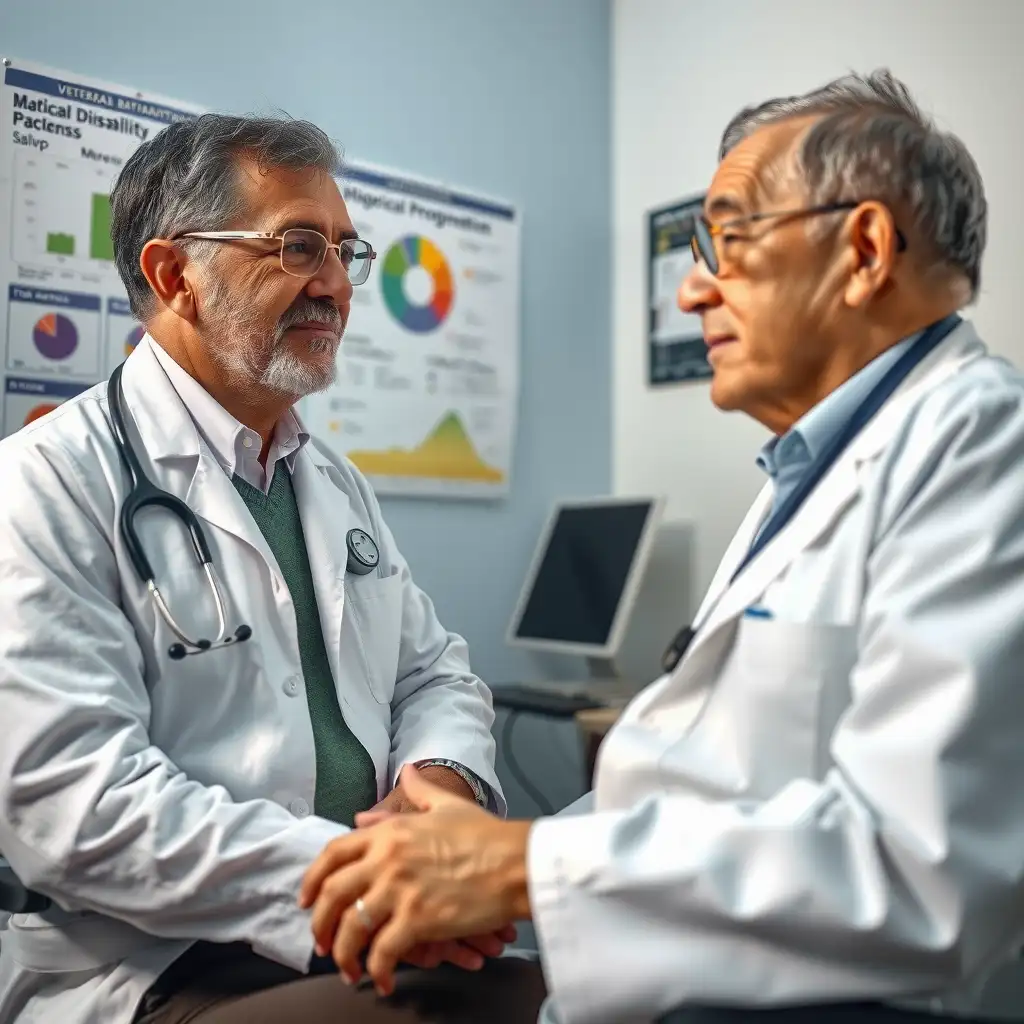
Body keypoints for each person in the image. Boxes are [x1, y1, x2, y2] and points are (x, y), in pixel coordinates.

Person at [299, 70, 1024, 1023]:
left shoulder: (984, 447)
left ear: (864, 249)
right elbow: (704, 791)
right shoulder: (809, 472)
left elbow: (926, 870)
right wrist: (474, 873)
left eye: (726, 240)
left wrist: (520, 870)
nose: (689, 290)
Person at [0, 114, 532, 1024]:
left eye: (344, 250)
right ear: (175, 277)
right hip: (151, 961)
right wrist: (365, 886)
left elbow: (432, 671)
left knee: (613, 991)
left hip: (358, 930)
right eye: (296, 246)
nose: (335, 284)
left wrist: (437, 784)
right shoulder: (45, 484)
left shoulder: (330, 481)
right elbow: (79, 808)